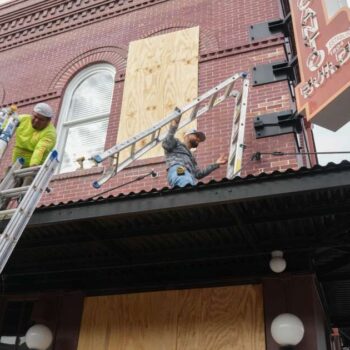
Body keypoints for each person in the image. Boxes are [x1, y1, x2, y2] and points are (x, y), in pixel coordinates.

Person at [162, 117, 227, 187]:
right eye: (196, 135)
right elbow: (166, 143)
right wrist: (174, 125)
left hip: (190, 177)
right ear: (187, 136)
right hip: (179, 169)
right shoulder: (176, 143)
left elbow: (198, 174)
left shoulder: (191, 157)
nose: (198, 139)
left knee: (192, 190)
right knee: (186, 185)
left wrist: (216, 164)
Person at [12, 102, 57, 185]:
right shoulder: (22, 119)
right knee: (8, 181)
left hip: (33, 166)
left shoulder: (50, 134)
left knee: (28, 181)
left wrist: (33, 165)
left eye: (41, 120)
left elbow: (40, 149)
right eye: (35, 117)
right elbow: (7, 127)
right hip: (17, 164)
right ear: (32, 113)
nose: (36, 121)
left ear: (48, 121)